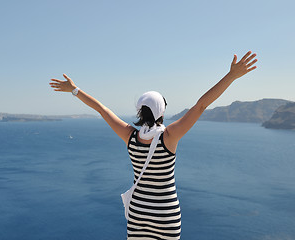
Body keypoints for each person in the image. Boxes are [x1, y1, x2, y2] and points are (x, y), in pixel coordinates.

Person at [49, 51, 257, 240]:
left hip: (138, 214)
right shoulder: (169, 136)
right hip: (166, 216)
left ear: (140, 112)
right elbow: (201, 105)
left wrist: (74, 90)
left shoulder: (129, 136)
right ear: (162, 111)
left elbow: (102, 109)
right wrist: (231, 76)